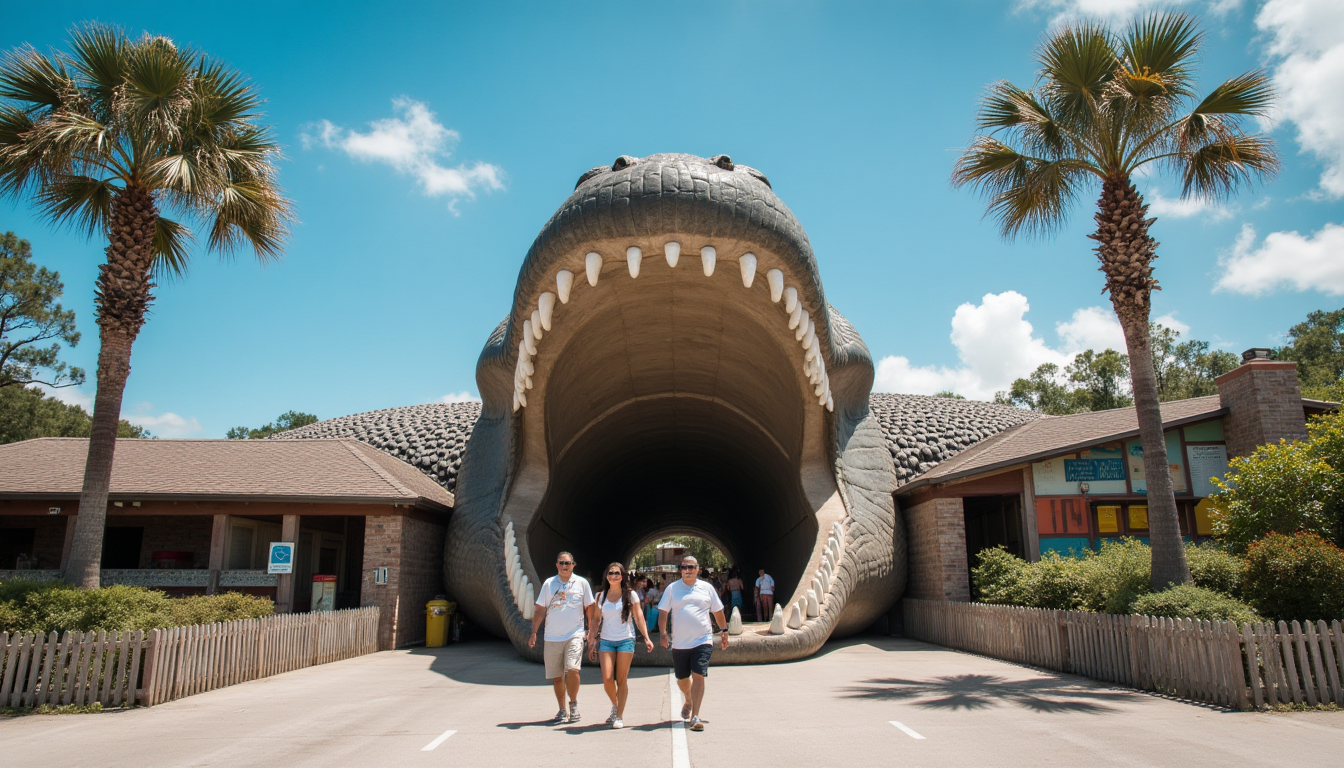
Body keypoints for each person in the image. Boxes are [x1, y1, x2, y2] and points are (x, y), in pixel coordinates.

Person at [659, 556, 729, 732]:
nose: (687, 570)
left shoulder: (707, 588)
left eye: (691, 567)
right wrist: (662, 633)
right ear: (680, 569)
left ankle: (695, 716)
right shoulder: (672, 589)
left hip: (702, 640)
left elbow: (718, 611)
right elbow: (663, 612)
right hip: (680, 643)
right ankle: (689, 699)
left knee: (699, 674)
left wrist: (724, 631)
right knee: (682, 679)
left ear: (698, 569)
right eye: (684, 567)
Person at [529, 551, 595, 724]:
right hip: (552, 637)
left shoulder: (582, 583)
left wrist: (590, 631)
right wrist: (534, 632)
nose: (565, 566)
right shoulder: (549, 584)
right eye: (561, 563)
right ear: (557, 565)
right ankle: (562, 709)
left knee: (573, 669)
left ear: (573, 565)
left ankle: (573, 704)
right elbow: (540, 609)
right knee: (557, 676)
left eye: (568, 563)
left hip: (575, 634)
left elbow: (590, 607)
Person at [587, 562, 654, 729]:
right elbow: (596, 620)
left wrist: (646, 637)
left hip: (626, 639)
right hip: (607, 641)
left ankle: (619, 716)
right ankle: (617, 705)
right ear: (606, 576)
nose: (613, 576)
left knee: (621, 679)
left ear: (622, 576)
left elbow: (639, 617)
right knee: (607, 678)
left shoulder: (631, 596)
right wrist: (591, 641)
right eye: (610, 573)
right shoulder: (600, 596)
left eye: (617, 573)